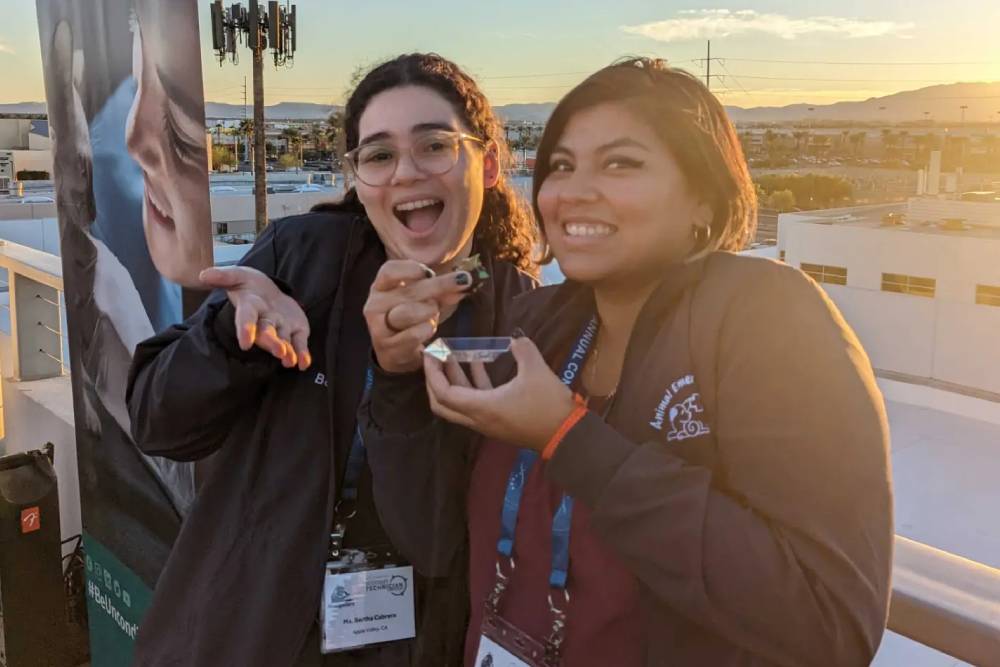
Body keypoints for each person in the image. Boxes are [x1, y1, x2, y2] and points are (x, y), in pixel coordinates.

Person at [363, 58, 893, 666]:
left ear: (703, 197)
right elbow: (433, 541)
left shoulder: (765, 318)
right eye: (561, 165)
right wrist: (399, 376)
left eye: (621, 163)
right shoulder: (539, 326)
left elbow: (828, 625)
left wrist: (570, 438)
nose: (573, 191)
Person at [125, 53, 536, 667]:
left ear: (491, 164)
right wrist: (229, 337)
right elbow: (158, 423)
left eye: (434, 145)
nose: (405, 172)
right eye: (378, 155)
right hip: (241, 631)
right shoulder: (304, 258)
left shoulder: (516, 317)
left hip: (409, 643)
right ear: (358, 179)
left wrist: (400, 377)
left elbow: (441, 536)